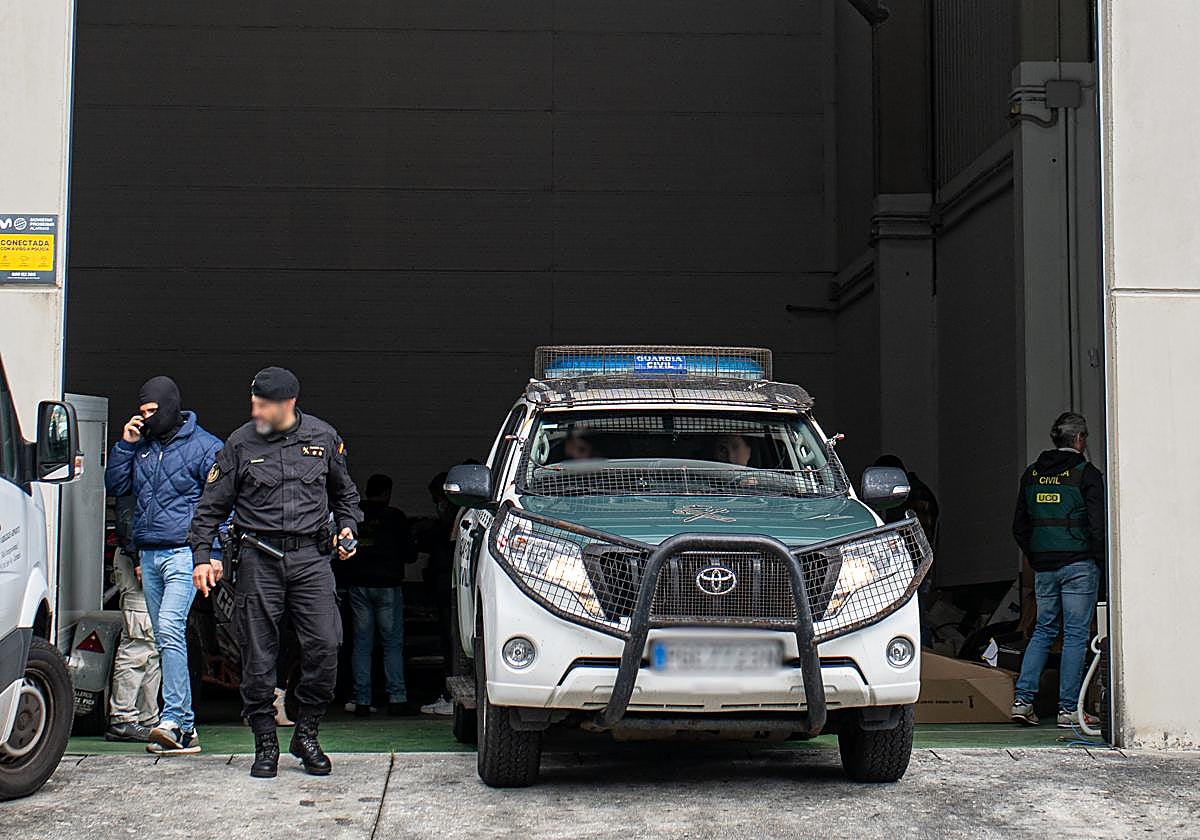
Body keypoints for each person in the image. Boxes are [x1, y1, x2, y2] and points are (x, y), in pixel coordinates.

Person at [188, 366, 361, 779]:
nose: (255, 410)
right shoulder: (239, 443)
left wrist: (348, 527)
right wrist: (201, 555)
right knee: (257, 655)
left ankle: (307, 732)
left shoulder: (322, 437)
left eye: (263, 404)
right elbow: (210, 507)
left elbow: (346, 496)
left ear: (288, 404)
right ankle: (265, 741)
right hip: (258, 559)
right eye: (253, 402)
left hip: (311, 560)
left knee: (325, 646)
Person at [104, 375, 222, 756]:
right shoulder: (141, 447)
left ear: (171, 407)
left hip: (185, 554)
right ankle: (185, 729)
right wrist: (125, 444)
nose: (146, 418)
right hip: (149, 555)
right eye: (142, 412)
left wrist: (214, 555)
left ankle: (172, 719)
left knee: (169, 629)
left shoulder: (206, 448)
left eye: (152, 411)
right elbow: (117, 485)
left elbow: (223, 504)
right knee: (161, 635)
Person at [1010, 412, 1105, 729]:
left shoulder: (1032, 474)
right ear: (1079, 439)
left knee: (1043, 631)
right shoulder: (1087, 474)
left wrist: (1037, 558)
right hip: (1079, 564)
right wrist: (1099, 562)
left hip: (1045, 566)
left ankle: (1023, 702)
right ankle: (1069, 710)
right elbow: (1097, 526)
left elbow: (1019, 526)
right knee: (1076, 634)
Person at [344, 474, 414, 716]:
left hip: (358, 584)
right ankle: (397, 698)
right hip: (388, 585)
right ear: (387, 492)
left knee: (362, 644)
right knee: (391, 644)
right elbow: (410, 553)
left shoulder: (355, 515)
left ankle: (362, 700)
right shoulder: (395, 517)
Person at [105, 495, 162, 742]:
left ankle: (146, 718)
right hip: (140, 557)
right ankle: (124, 717)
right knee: (140, 639)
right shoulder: (143, 460)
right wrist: (138, 557)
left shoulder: (145, 460)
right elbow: (129, 513)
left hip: (145, 554)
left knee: (151, 644)